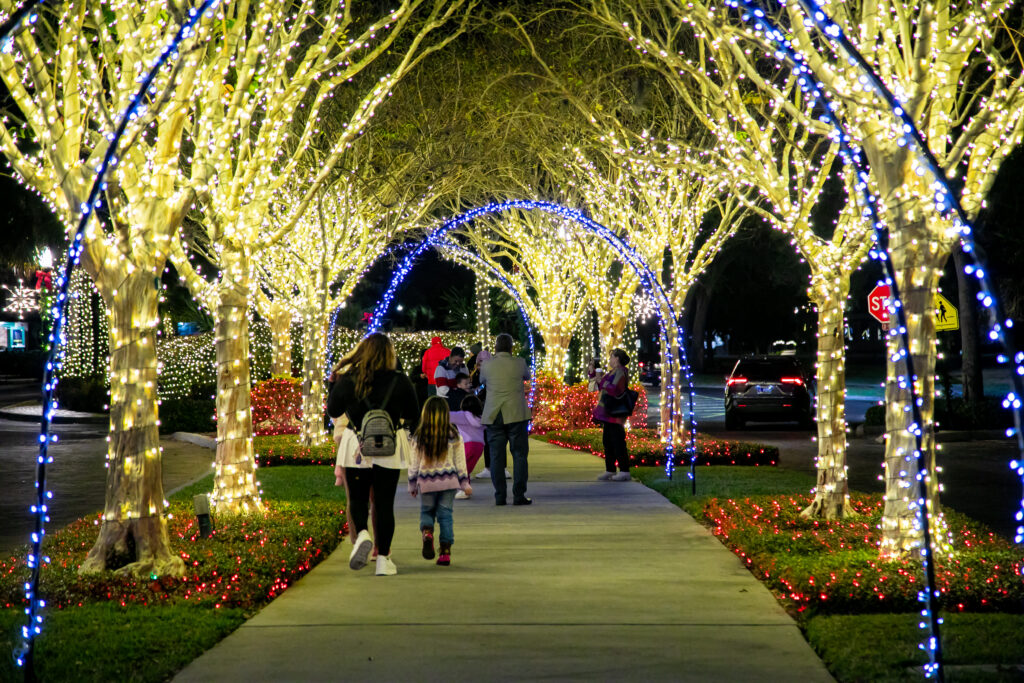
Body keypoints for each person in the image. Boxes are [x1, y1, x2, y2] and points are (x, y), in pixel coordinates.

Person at [328, 332, 420, 576]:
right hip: (389, 447)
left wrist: (333, 385)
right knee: (384, 503)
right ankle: (383, 559)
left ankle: (362, 535)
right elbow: (413, 413)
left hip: (355, 446)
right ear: (389, 354)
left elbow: (334, 410)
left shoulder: (349, 380)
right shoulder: (400, 380)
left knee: (358, 499)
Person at [408, 396, 470, 566]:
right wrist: (464, 483)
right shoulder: (454, 435)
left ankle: (428, 532)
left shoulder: (419, 436)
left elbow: (414, 463)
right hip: (449, 482)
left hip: (426, 482)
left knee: (427, 511)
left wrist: (412, 484)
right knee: (445, 516)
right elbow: (460, 461)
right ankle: (445, 552)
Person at [480, 332, 532, 505]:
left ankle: (500, 496)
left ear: (495, 348)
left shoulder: (487, 365)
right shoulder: (519, 363)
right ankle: (519, 495)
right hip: (516, 413)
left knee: (496, 456)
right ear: (511, 348)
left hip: (494, 415)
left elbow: (482, 380)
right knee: (519, 455)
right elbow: (527, 377)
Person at [588, 349, 632, 481]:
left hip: (615, 413)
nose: (609, 359)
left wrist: (602, 382)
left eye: (611, 357)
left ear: (617, 358)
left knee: (617, 441)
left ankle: (624, 471)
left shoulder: (621, 372)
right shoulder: (613, 372)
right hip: (608, 412)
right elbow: (600, 383)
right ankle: (610, 469)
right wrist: (593, 372)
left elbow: (616, 389)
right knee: (607, 441)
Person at [450, 395, 486, 499]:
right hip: (479, 446)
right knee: (466, 469)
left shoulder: (462, 415)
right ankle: (466, 489)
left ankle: (463, 491)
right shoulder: (481, 417)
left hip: (467, 445)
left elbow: (445, 416)